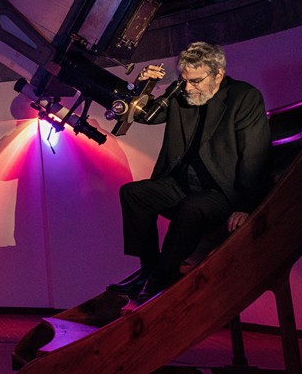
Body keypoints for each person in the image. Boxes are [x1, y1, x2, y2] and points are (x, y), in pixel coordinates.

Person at [108, 41, 271, 303]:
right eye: (184, 80)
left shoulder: (244, 97)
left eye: (195, 81)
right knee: (133, 193)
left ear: (218, 74)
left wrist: (248, 206)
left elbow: (255, 155)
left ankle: (162, 277)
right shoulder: (181, 93)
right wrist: (143, 85)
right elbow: (145, 115)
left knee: (191, 207)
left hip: (221, 190)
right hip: (181, 183)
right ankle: (149, 270)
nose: (188, 87)